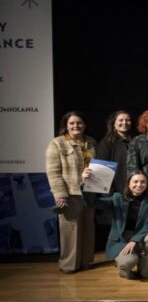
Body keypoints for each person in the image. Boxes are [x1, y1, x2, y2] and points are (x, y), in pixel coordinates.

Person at [45, 111, 98, 273]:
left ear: (84, 125)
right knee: (70, 230)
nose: (76, 126)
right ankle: (69, 265)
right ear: (66, 126)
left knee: (88, 228)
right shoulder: (57, 143)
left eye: (79, 123)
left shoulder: (91, 142)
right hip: (70, 193)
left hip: (89, 192)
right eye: (72, 123)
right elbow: (53, 172)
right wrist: (60, 194)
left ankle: (86, 261)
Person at [89, 171, 148, 280]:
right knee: (128, 262)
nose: (139, 185)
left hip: (140, 238)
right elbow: (92, 203)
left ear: (147, 184)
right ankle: (127, 265)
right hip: (121, 241)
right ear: (128, 183)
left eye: (143, 182)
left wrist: (134, 240)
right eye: (135, 181)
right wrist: (86, 185)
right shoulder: (118, 197)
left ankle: (141, 256)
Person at [95, 109, 132, 195]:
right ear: (114, 124)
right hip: (115, 191)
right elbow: (101, 170)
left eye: (128, 120)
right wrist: (108, 193)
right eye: (121, 120)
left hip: (134, 189)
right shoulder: (106, 142)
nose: (124, 123)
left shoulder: (136, 141)